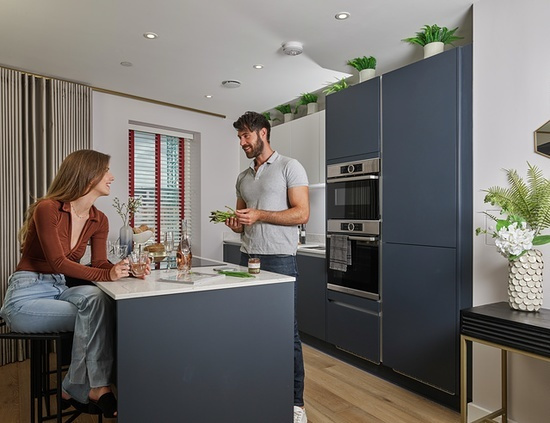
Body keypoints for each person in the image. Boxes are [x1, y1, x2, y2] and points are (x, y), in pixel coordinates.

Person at [0, 149, 151, 418]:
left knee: (98, 301)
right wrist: (108, 275)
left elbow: (100, 265)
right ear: (88, 174)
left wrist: (126, 270)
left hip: (60, 288)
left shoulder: (99, 219)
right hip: (26, 295)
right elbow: (58, 262)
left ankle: (74, 386)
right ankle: (96, 387)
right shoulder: (48, 209)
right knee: (96, 313)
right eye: (106, 171)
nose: (112, 177)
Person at [226, 111, 310, 423]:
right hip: (247, 258)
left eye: (246, 135)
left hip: (279, 259)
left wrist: (260, 214)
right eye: (239, 137)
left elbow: (301, 214)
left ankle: (295, 404)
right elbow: (241, 221)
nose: (242, 142)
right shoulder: (243, 177)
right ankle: (257, 389)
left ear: (263, 133)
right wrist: (237, 223)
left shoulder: (290, 167)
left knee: (285, 332)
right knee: (249, 329)